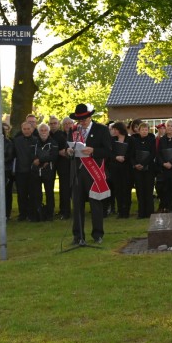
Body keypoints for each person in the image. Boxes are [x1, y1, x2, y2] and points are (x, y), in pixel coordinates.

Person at [68, 103, 112, 245]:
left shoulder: (101, 129)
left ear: (90, 117)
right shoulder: (73, 131)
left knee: (95, 204)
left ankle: (98, 234)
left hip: (94, 172)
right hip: (77, 171)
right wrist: (69, 151)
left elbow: (108, 151)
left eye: (84, 119)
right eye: (79, 120)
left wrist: (93, 150)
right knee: (77, 204)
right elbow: (68, 148)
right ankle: (78, 235)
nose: (82, 122)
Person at [11, 120, 40, 222]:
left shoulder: (37, 140)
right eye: (24, 129)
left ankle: (32, 214)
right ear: (21, 129)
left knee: (33, 193)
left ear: (32, 129)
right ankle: (22, 214)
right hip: (20, 171)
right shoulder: (16, 141)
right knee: (21, 194)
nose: (27, 131)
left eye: (28, 129)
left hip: (32, 171)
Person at [130, 121, 157, 219]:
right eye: (142, 130)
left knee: (148, 191)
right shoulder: (134, 141)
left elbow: (153, 153)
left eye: (146, 130)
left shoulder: (151, 140)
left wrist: (143, 164)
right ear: (139, 131)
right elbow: (131, 155)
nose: (144, 132)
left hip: (149, 169)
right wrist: (135, 164)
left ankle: (150, 213)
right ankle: (141, 213)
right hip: (137, 170)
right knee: (140, 191)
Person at [107, 121, 133, 219]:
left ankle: (126, 211)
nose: (113, 131)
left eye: (114, 129)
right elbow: (109, 153)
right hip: (115, 168)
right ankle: (120, 211)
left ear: (119, 130)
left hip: (126, 168)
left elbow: (132, 152)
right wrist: (116, 157)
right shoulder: (112, 140)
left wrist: (124, 157)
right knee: (118, 190)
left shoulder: (130, 140)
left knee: (126, 189)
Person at [34, 123, 59, 220]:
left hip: (49, 172)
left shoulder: (53, 142)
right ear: (38, 131)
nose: (43, 132)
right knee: (37, 193)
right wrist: (39, 161)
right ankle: (38, 213)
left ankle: (50, 214)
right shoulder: (35, 142)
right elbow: (32, 154)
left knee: (49, 193)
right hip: (36, 171)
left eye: (45, 130)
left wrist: (41, 160)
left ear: (48, 131)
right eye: (41, 130)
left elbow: (54, 156)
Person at [55, 117, 75, 219]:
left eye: (69, 123)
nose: (67, 125)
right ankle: (65, 211)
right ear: (63, 125)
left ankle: (76, 210)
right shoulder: (58, 135)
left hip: (75, 165)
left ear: (73, 124)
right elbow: (55, 149)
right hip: (63, 166)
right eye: (65, 123)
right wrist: (60, 151)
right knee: (64, 189)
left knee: (75, 189)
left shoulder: (77, 134)